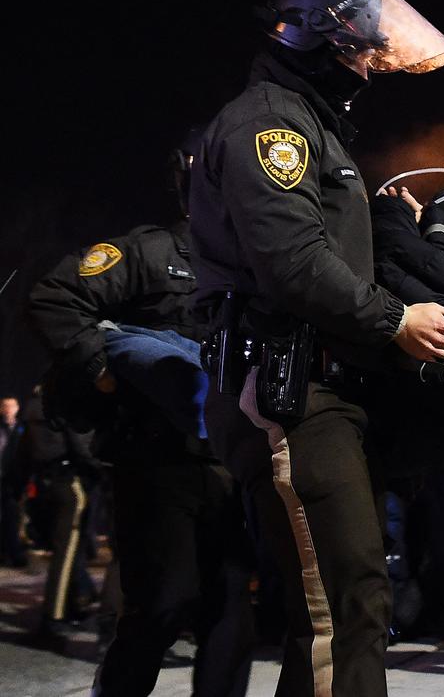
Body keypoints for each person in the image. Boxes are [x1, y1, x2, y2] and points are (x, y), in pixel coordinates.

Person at [187, 0, 444, 696]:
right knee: (342, 607)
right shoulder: (271, 125)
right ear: (315, 37)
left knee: (348, 606)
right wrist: (395, 318)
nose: (374, 58)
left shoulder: (312, 124)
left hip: (320, 389)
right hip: (286, 394)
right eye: (361, 43)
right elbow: (293, 262)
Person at [28, 135, 255, 696]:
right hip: (155, 462)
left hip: (230, 460)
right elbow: (55, 298)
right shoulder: (145, 252)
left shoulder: (254, 267)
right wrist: (100, 367)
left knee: (231, 612)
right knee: (161, 603)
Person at [18, 386, 101, 642]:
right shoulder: (64, 402)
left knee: (66, 552)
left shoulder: (31, 407)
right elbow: (81, 446)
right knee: (66, 555)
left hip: (44, 481)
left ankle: (75, 603)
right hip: (68, 481)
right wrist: (100, 469)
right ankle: (54, 616)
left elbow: (20, 453)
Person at [0, 394, 28, 567]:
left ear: (17, 408)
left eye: (12, 406)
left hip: (17, 479)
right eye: (5, 406)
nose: (8, 409)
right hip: (2, 478)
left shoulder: (23, 428)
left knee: (15, 516)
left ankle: (14, 551)